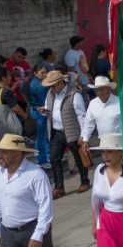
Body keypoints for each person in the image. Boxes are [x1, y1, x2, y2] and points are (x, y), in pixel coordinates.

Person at [41, 70, 90, 199]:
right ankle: (59, 187)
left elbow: (81, 115)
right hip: (56, 132)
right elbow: (48, 109)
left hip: (72, 131)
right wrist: (45, 111)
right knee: (54, 158)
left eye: (53, 86)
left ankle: (85, 181)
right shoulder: (50, 93)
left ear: (60, 83)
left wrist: (83, 134)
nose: (51, 88)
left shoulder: (74, 94)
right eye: (50, 86)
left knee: (79, 158)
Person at [80, 76, 121, 152]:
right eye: (97, 90)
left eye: (102, 89)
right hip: (103, 143)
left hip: (119, 142)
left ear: (109, 89)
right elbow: (88, 123)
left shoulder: (119, 102)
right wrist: (85, 140)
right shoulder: (93, 104)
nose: (99, 93)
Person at [0, 66, 29, 135]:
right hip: (13, 120)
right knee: (19, 137)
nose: (11, 77)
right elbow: (15, 108)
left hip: (2, 120)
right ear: (3, 78)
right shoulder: (5, 92)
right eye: (9, 75)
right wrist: (24, 115)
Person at [28, 64, 51, 169]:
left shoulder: (36, 82)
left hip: (38, 110)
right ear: (35, 73)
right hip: (41, 112)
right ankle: (42, 160)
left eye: (46, 72)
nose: (45, 74)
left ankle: (46, 156)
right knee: (42, 136)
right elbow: (44, 101)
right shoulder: (39, 86)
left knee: (43, 135)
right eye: (42, 73)